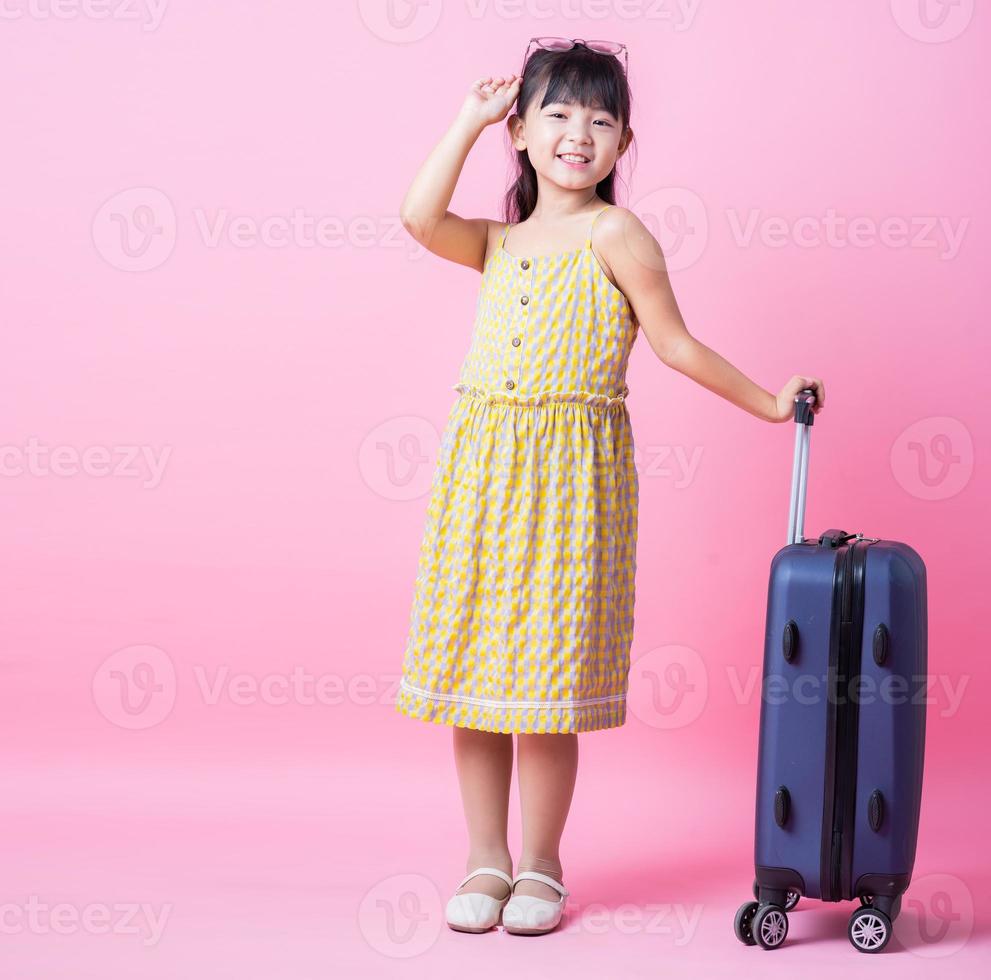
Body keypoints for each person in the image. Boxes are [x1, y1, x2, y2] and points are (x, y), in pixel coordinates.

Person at [395, 38, 826, 937]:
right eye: (556, 113)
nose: (577, 133)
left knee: (542, 681)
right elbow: (415, 216)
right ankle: (485, 857)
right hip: (483, 472)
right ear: (520, 131)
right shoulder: (497, 241)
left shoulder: (615, 233)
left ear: (623, 143)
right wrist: (467, 122)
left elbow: (672, 343)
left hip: (569, 480)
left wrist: (767, 403)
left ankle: (542, 864)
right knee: (475, 674)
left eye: (600, 118)